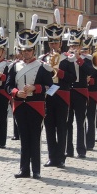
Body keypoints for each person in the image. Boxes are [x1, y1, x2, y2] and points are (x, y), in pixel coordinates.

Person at [6, 14, 53, 179]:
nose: (25, 53)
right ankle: (23, 169)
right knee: (24, 139)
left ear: (34, 50)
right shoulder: (14, 66)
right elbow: (8, 85)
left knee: (35, 138)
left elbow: (51, 87)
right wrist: (15, 93)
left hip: (36, 106)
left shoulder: (42, 67)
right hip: (19, 105)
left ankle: (36, 170)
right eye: (23, 50)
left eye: (28, 50)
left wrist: (36, 87)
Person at [41, 9, 76, 168]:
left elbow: (72, 78)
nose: (53, 45)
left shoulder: (68, 59)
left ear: (61, 42)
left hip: (62, 95)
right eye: (51, 42)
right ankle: (51, 157)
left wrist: (60, 72)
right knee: (49, 128)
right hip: (48, 96)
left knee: (61, 128)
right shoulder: (43, 59)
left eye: (56, 42)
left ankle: (61, 157)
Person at [65, 19, 94, 159]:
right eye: (72, 44)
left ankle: (81, 149)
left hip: (81, 92)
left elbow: (91, 71)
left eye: (76, 45)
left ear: (80, 45)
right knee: (67, 122)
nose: (74, 47)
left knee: (80, 121)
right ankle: (68, 149)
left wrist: (79, 59)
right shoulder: (64, 58)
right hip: (67, 92)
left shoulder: (87, 59)